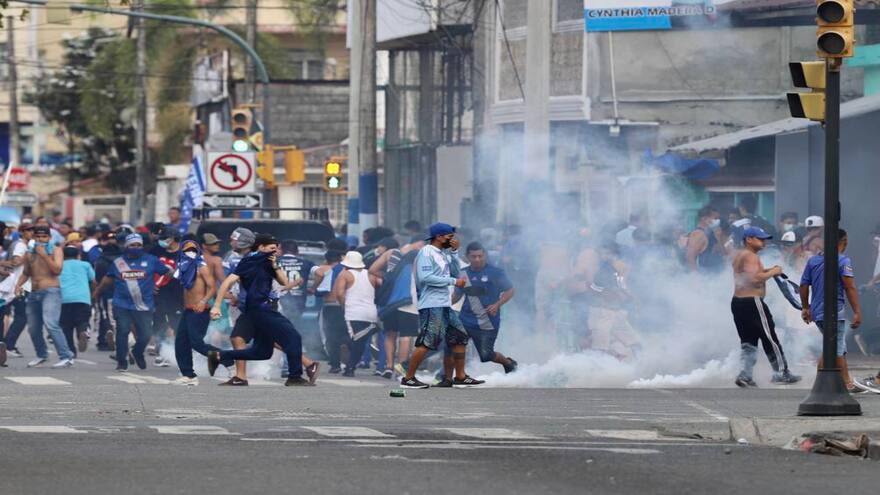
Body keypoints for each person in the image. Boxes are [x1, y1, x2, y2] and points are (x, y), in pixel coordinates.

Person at [208, 234, 313, 386]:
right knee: (293, 337)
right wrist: (217, 306)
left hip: (263, 309)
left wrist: (275, 265)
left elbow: (283, 282)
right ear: (261, 247)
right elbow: (226, 283)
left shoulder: (268, 262)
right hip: (260, 309)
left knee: (262, 352)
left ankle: (219, 356)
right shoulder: (249, 262)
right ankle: (294, 377)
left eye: (276, 248)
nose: (275, 251)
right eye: (272, 248)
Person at [400, 223, 483, 389]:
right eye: (450, 237)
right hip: (431, 304)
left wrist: (454, 252)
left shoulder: (442, 254)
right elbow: (426, 277)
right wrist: (453, 281)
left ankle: (459, 376)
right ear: (439, 237)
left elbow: (455, 272)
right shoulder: (426, 252)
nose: (453, 240)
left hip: (444, 304)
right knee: (427, 341)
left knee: (459, 337)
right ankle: (408, 378)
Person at [730, 227, 800, 387]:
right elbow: (754, 279)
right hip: (752, 302)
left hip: (738, 303)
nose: (764, 241)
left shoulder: (741, 255)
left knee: (748, 341)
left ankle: (745, 374)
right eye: (760, 238)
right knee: (770, 338)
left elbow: (749, 274)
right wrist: (774, 271)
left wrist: (769, 270)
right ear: (749, 239)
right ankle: (782, 372)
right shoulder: (750, 255)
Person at [92, 234, 170, 371]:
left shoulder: (152, 260)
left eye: (138, 245)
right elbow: (107, 279)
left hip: (144, 305)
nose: (136, 248)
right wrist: (97, 292)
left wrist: (163, 285)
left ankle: (137, 352)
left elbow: (167, 272)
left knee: (145, 334)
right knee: (122, 331)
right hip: (122, 304)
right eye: (133, 245)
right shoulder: (118, 263)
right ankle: (122, 362)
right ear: (127, 247)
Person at [799, 229, 863, 393]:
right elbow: (850, 287)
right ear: (845, 241)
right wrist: (857, 311)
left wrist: (806, 307)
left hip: (818, 313)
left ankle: (826, 383)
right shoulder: (843, 261)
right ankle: (845, 383)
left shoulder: (813, 261)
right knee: (836, 347)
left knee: (834, 346)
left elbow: (804, 285)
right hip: (835, 312)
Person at [14, 225, 76, 368]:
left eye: (44, 237)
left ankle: (66, 356)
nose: (41, 240)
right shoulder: (30, 253)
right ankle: (41, 355)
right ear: (34, 237)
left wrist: (43, 255)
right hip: (34, 293)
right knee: (33, 327)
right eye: (38, 237)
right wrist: (18, 286)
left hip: (51, 291)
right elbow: (26, 273)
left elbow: (57, 270)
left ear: (49, 238)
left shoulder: (56, 250)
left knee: (51, 324)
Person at [455, 242, 518, 373]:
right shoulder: (463, 273)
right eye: (474, 256)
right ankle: (453, 376)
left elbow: (510, 290)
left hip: (487, 321)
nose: (477, 259)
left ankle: (508, 363)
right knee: (455, 345)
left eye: (480, 256)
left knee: (486, 355)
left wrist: (497, 304)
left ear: (485, 255)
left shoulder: (496, 272)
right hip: (465, 319)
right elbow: (457, 294)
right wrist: (443, 305)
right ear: (467, 257)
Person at [370, 239, 424, 379]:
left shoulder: (391, 253)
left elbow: (372, 270)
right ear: (421, 243)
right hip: (408, 300)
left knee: (390, 334)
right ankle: (401, 370)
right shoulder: (419, 256)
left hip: (389, 302)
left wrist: (388, 277)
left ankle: (388, 367)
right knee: (405, 336)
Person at [172, 240, 217, 386]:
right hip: (188, 310)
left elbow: (212, 288)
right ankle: (188, 375)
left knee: (197, 343)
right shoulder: (183, 268)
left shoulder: (201, 267)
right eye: (186, 250)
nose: (190, 252)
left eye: (192, 249)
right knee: (181, 343)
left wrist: (203, 301)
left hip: (200, 310)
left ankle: (227, 358)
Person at [588, 242, 641, 360]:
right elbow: (593, 286)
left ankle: (640, 363)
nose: (602, 256)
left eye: (606, 253)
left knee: (632, 343)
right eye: (601, 253)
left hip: (610, 311)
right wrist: (607, 292)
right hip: (603, 310)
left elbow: (621, 284)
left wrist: (628, 295)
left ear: (613, 254)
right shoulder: (603, 267)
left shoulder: (618, 266)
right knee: (601, 347)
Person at [332, 251, 382, 377]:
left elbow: (339, 293)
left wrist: (344, 305)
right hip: (371, 312)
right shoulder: (371, 275)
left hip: (353, 313)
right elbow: (380, 288)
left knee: (352, 339)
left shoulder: (345, 274)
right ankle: (350, 368)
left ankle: (350, 368)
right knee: (360, 342)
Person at [150, 228, 183, 366]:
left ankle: (179, 353)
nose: (162, 241)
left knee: (176, 325)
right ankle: (161, 351)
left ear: (174, 238)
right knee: (158, 323)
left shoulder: (184, 254)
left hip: (177, 295)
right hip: (159, 294)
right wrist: (150, 284)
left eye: (165, 238)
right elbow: (147, 270)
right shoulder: (155, 252)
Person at [0, 224, 32, 358]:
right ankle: (9, 344)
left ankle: (5, 344)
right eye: (29, 230)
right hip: (18, 286)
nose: (32, 233)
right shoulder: (20, 246)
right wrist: (29, 253)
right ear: (22, 232)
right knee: (22, 316)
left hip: (18, 285)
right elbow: (15, 263)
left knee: (5, 316)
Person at [314, 249, 347, 374]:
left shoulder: (325, 270)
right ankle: (348, 363)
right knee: (345, 334)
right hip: (346, 306)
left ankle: (335, 364)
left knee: (331, 337)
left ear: (327, 260)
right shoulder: (348, 270)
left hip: (330, 306)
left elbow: (319, 291)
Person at [59, 246, 96, 357]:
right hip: (82, 298)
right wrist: (93, 294)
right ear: (78, 255)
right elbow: (93, 280)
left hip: (64, 299)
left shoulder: (59, 266)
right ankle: (83, 331)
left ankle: (71, 351)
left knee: (66, 327)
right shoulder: (85, 265)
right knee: (83, 320)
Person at [276, 239, 315, 331]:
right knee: (294, 329)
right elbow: (321, 273)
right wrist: (314, 288)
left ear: (281, 250)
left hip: (277, 302)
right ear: (297, 251)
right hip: (298, 302)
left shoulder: (273, 263)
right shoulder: (306, 263)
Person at [93, 230, 121, 351]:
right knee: (120, 316)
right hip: (122, 292)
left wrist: (96, 291)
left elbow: (99, 278)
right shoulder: (123, 260)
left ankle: (103, 340)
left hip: (105, 291)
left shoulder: (100, 260)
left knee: (104, 315)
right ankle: (118, 339)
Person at [686, 206, 723, 273]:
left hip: (716, 277)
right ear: (704, 219)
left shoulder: (711, 232)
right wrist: (696, 278)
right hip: (705, 277)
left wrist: (719, 238)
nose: (717, 221)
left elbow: (721, 253)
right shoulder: (698, 234)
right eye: (715, 218)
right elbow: (690, 257)